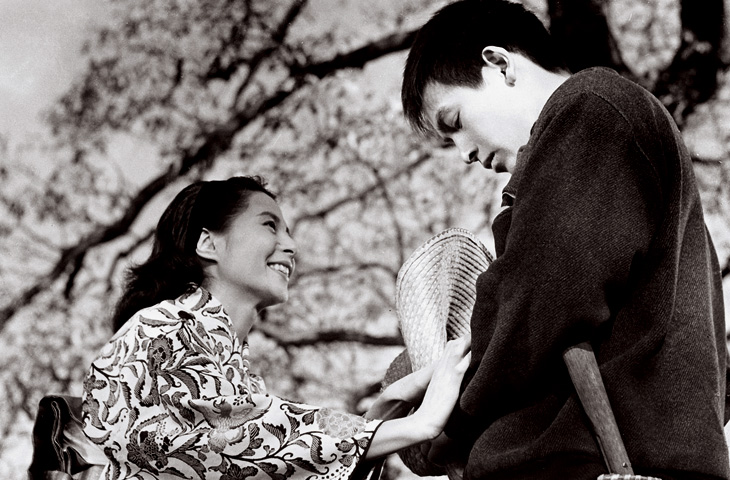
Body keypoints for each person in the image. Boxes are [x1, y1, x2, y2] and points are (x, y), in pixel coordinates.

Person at [400, 1, 730, 479]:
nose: (464, 153)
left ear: (500, 64)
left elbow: (540, 297)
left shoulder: (592, 109)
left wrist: (445, 422)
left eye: (453, 123)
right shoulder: (607, 137)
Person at [81, 176, 471, 480]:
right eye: (270, 225)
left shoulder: (231, 364)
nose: (290, 246)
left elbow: (268, 451)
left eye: (289, 232)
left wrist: (387, 410)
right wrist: (418, 424)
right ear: (208, 244)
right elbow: (234, 440)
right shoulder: (158, 328)